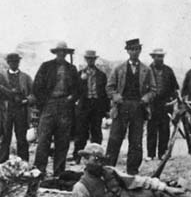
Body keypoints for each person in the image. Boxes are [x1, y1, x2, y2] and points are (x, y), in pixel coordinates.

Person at [33, 41, 83, 179]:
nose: (62, 54)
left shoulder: (71, 69)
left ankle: (59, 171)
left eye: (64, 52)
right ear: (55, 53)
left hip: (65, 107)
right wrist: (45, 101)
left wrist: (71, 98)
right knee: (43, 139)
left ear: (66, 54)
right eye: (59, 52)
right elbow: (37, 86)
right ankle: (39, 171)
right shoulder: (46, 67)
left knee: (63, 140)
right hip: (49, 105)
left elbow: (78, 89)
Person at [105, 39, 154, 175]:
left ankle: (132, 170)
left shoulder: (146, 70)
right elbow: (109, 87)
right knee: (115, 138)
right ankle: (109, 168)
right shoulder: (119, 69)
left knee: (136, 140)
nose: (134, 52)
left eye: (137, 49)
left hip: (138, 107)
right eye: (131, 49)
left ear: (140, 50)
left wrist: (146, 98)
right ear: (127, 51)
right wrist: (116, 96)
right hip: (121, 106)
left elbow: (153, 89)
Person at [146, 48, 179, 160]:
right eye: (157, 56)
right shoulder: (147, 70)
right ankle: (150, 154)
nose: (159, 59)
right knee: (151, 129)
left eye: (161, 56)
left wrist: (173, 101)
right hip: (152, 104)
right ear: (153, 57)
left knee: (164, 129)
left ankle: (162, 153)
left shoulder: (168, 71)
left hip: (165, 104)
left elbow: (175, 88)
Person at [1, 52, 35, 161]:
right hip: (7, 110)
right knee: (5, 137)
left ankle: (23, 162)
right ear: (8, 63)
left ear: (19, 62)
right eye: (11, 62)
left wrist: (26, 100)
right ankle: (2, 161)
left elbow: (34, 93)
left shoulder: (25, 77)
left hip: (21, 110)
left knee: (21, 138)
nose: (14, 64)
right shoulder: (2, 77)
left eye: (16, 62)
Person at [75, 50, 110, 154]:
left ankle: (96, 154)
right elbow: (76, 90)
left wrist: (106, 109)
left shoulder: (101, 75)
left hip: (97, 105)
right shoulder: (80, 74)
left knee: (96, 131)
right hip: (84, 105)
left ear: (95, 60)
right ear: (86, 60)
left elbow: (105, 93)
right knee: (81, 131)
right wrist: (82, 80)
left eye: (92, 59)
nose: (90, 61)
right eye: (88, 59)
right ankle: (78, 154)